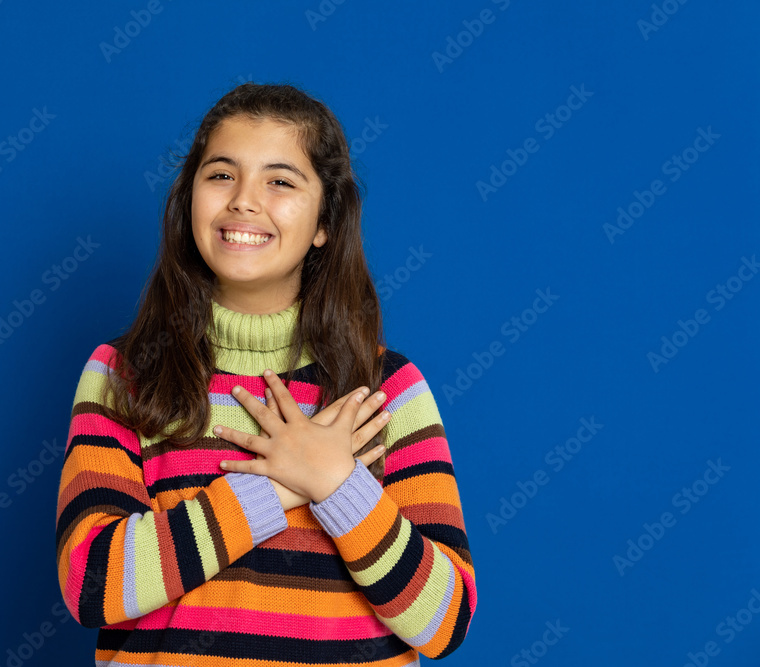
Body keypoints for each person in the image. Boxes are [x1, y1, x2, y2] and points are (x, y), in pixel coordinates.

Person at [55, 82, 477, 664]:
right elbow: (92, 585)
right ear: (189, 200)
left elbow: (442, 620)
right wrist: (277, 485)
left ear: (325, 221)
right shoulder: (121, 376)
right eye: (221, 174)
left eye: (280, 181)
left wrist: (337, 485)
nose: (244, 201)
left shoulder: (387, 392)